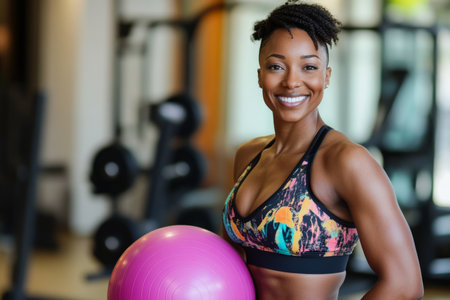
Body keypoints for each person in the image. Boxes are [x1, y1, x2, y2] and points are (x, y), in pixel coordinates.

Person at [221, 1, 424, 299]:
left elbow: (405, 285)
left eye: (309, 67)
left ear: (326, 77)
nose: (291, 82)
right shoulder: (248, 155)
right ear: (260, 75)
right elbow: (227, 266)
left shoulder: (347, 161)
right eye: (277, 66)